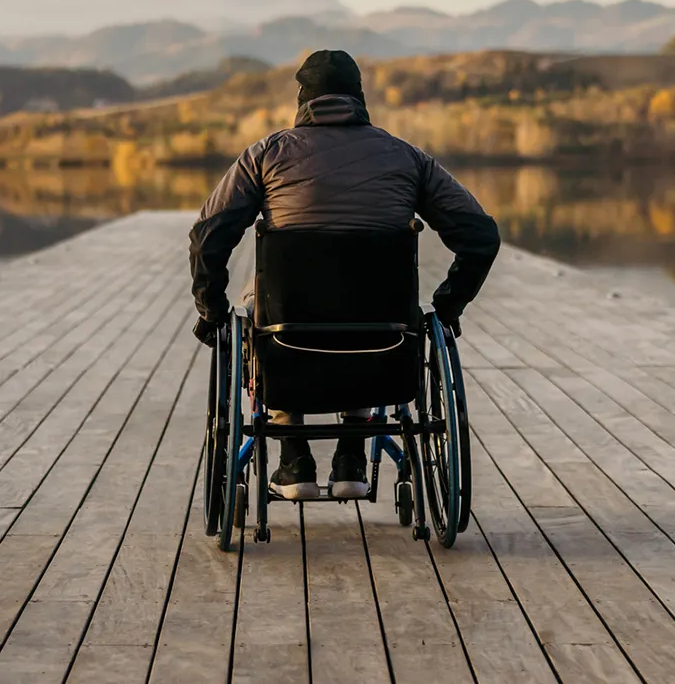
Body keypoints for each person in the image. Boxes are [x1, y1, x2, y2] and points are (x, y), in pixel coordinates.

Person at [188, 49, 499, 500]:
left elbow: (207, 235)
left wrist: (212, 309)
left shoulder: (267, 155)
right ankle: (352, 458)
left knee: (255, 307)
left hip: (286, 337)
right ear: (359, 97)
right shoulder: (407, 158)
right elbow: (480, 235)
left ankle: (294, 462)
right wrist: (449, 305)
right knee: (369, 307)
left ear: (302, 99)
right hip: (386, 341)